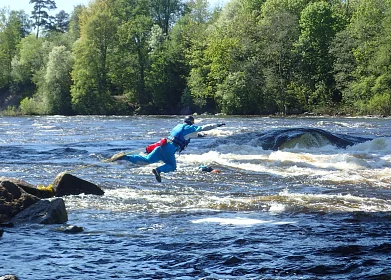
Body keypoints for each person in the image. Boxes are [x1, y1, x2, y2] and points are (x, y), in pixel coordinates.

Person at [112, 116, 225, 182]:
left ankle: (125, 157)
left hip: (161, 147)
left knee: (146, 160)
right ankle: (158, 170)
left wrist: (202, 135)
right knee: (172, 166)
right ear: (191, 123)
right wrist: (217, 125)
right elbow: (204, 128)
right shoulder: (189, 128)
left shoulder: (178, 126)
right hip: (169, 150)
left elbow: (189, 136)